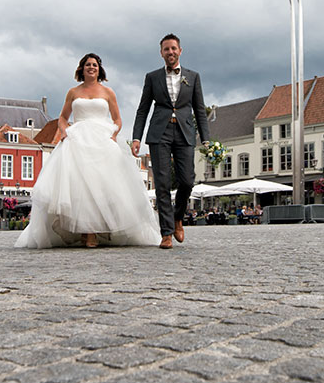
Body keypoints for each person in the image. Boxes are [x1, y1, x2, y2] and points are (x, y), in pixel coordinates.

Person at [17, 53, 160, 249]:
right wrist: (64, 131)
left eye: (94, 65)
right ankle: (87, 232)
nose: (91, 67)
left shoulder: (108, 92)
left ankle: (99, 230)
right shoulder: (73, 92)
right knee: (79, 187)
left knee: (104, 186)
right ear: (81, 69)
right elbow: (62, 117)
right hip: (78, 137)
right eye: (87, 65)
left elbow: (118, 119)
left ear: (99, 69)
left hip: (102, 137)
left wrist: (114, 133)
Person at [131, 34, 211, 250]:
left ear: (180, 50)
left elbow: (200, 110)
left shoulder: (193, 77)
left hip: (185, 132)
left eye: (173, 48)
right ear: (161, 53)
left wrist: (206, 139)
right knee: (163, 183)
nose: (170, 52)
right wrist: (136, 137)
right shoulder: (152, 77)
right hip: (159, 133)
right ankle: (166, 233)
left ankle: (178, 218)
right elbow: (143, 109)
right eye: (166, 49)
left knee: (187, 181)